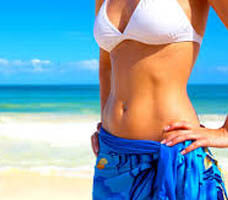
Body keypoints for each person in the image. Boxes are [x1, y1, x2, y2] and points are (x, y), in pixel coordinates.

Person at [91, 0, 228, 199]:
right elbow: (106, 66)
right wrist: (106, 120)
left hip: (172, 153)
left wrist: (225, 132)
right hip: (113, 156)